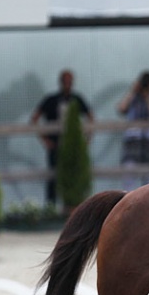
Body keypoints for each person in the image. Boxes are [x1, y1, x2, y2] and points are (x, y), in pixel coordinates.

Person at [30, 69, 93, 205]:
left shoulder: (77, 99)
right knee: (53, 176)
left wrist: (87, 140)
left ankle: (73, 206)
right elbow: (34, 119)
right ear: (61, 82)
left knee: (74, 176)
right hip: (56, 144)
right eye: (65, 81)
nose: (67, 84)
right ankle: (51, 207)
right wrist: (45, 139)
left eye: (70, 81)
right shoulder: (51, 100)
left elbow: (91, 118)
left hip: (73, 146)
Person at [117, 71, 149, 189]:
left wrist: (147, 96)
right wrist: (132, 91)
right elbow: (121, 108)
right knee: (129, 178)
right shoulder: (133, 98)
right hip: (133, 141)